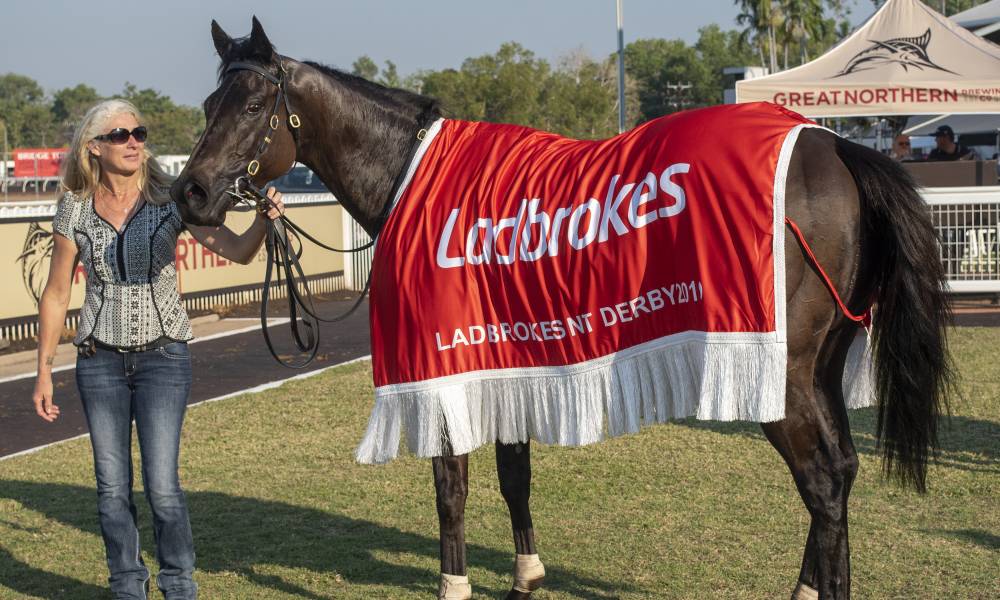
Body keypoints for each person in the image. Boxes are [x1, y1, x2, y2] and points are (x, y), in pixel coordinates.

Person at [31, 99, 284, 600]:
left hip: (163, 360)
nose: (133, 142)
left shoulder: (175, 199)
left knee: (163, 489)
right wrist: (43, 372)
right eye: (121, 134)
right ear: (94, 148)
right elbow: (57, 292)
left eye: (139, 134)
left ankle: (178, 584)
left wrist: (264, 220)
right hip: (97, 362)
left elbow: (235, 251)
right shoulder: (74, 208)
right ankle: (127, 585)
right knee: (110, 491)